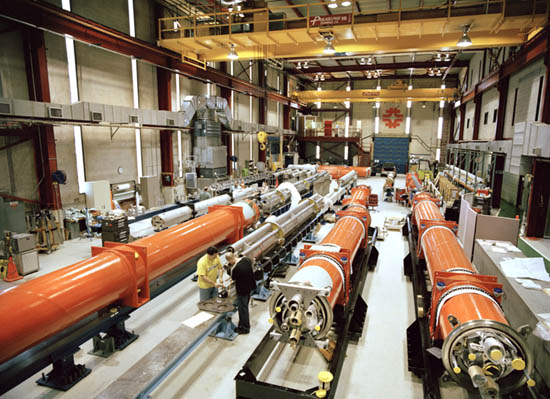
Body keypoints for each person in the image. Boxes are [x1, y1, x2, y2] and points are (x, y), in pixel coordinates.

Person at [226, 251, 256, 335]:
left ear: (230, 261)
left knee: (242, 309)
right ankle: (242, 323)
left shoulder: (235, 268)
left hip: (242, 291)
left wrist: (229, 269)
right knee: (245, 306)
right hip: (250, 286)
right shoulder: (246, 259)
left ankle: (245, 328)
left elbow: (233, 277)